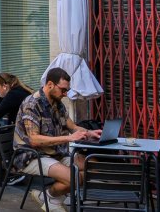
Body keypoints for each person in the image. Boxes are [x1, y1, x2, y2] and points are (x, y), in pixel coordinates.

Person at [12, 68, 101, 212]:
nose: (66, 94)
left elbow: (71, 126)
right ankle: (51, 198)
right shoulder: (32, 104)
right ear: (50, 84)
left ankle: (47, 197)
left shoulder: (57, 102)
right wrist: (69, 138)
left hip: (56, 153)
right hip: (31, 156)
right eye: (63, 90)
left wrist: (90, 133)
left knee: (95, 165)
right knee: (74, 178)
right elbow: (34, 140)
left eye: (67, 90)